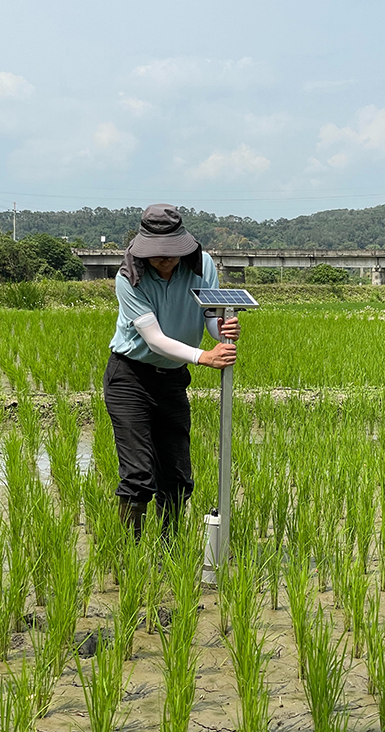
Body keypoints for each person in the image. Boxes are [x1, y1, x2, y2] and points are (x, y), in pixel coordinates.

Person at [103, 203, 240, 539]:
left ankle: (170, 553)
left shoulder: (201, 265)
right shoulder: (129, 277)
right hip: (130, 378)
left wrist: (222, 329)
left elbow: (208, 315)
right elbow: (155, 339)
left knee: (178, 478)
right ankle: (128, 556)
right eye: (156, 253)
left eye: (171, 252)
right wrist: (203, 356)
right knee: (138, 478)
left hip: (173, 381)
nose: (164, 259)